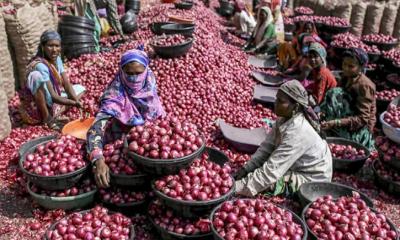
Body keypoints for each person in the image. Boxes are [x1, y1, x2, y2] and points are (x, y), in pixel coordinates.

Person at [234, 80, 332, 197]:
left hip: (312, 178)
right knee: (262, 171)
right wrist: (246, 169)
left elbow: (272, 170)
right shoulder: (283, 119)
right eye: (276, 99)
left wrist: (237, 187)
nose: (275, 103)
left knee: (269, 183)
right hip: (295, 165)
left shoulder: (299, 131)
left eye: (280, 101)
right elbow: (266, 148)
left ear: (295, 106)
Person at [87, 47, 165, 188]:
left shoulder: (149, 83)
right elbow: (96, 128)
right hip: (120, 150)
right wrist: (98, 159)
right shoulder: (114, 95)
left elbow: (159, 121)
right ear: (121, 71)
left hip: (149, 149)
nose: (134, 78)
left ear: (146, 70)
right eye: (129, 73)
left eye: (138, 73)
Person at [20, 30, 85, 129]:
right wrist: (74, 103)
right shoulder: (41, 65)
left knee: (81, 89)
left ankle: (55, 113)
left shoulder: (57, 59)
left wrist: (76, 101)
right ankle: (47, 117)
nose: (54, 50)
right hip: (37, 106)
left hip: (52, 99)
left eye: (57, 46)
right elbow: (54, 96)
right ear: (43, 47)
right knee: (35, 76)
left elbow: (66, 84)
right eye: (50, 46)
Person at [320, 48, 376, 150]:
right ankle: (330, 123)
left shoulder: (364, 86)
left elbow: (363, 119)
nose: (345, 68)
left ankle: (348, 138)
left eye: (351, 66)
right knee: (333, 93)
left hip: (360, 128)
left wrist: (336, 122)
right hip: (348, 116)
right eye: (344, 64)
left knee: (335, 93)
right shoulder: (346, 77)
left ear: (361, 67)